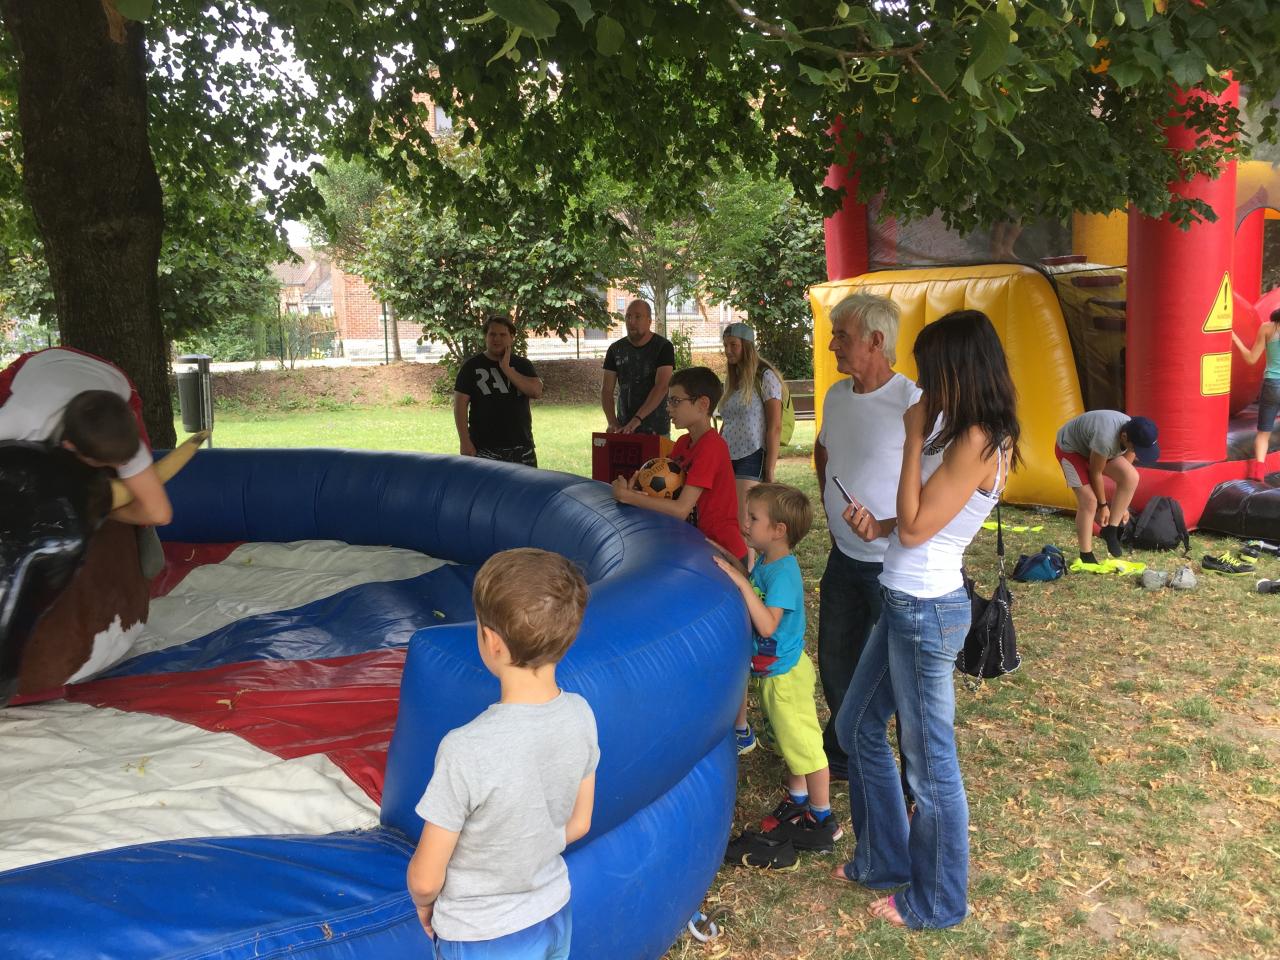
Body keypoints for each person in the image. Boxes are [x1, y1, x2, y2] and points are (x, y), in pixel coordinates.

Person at [834, 309, 1020, 930]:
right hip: (905, 598)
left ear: (959, 369)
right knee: (856, 722)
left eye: (934, 370)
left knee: (930, 763)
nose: (926, 384)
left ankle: (938, 901)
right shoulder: (970, 430)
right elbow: (926, 521)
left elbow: (918, 529)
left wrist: (913, 436)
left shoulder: (977, 438)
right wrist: (880, 527)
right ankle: (884, 860)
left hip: (925, 609)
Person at [407, 547, 598, 959]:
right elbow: (579, 823)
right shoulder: (581, 714)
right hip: (553, 912)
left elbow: (425, 879)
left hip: (482, 935)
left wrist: (425, 903)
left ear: (491, 641)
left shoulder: (465, 749)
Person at [813, 293, 920, 783]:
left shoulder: (912, 402)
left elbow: (938, 493)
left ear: (876, 342)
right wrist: (831, 506)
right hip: (843, 558)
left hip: (891, 566)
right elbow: (823, 452)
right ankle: (844, 753)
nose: (832, 344)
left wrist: (884, 526)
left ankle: (902, 772)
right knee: (835, 660)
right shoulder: (836, 396)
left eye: (842, 336)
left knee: (896, 676)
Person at [712, 484, 842, 852]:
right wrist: (735, 565)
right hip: (773, 673)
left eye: (753, 518)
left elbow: (768, 624)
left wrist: (739, 581)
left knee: (806, 747)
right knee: (790, 743)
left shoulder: (783, 572)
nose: (745, 523)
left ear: (778, 530)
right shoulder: (767, 563)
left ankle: (822, 819)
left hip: (785, 677)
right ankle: (797, 800)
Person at [0, 346, 171, 527]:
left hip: (110, 377)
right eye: (106, 462)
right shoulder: (20, 419)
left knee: (139, 497)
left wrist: (101, 510)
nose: (120, 465)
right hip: (46, 363)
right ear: (70, 446)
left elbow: (159, 514)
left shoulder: (120, 434)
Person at [610, 366, 746, 562]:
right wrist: (638, 490)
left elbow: (681, 509)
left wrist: (628, 497)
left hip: (725, 551)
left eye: (675, 401)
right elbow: (670, 492)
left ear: (702, 404)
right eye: (668, 401)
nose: (668, 408)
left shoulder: (712, 447)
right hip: (699, 545)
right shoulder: (683, 443)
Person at [1054, 409, 1160, 565]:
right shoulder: (1106, 439)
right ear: (1124, 437)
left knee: (1131, 477)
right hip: (1071, 450)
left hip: (1094, 448)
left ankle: (1111, 530)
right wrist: (1103, 506)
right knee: (1089, 501)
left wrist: (1121, 506)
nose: (1136, 452)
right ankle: (1086, 555)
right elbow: (1095, 472)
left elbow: (1125, 471)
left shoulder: (1133, 433)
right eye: (1136, 448)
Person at [719, 322, 784, 557]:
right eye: (725, 345)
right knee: (730, 516)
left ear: (746, 346)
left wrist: (770, 470)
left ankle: (748, 576)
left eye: (733, 345)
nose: (728, 350)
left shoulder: (765, 377)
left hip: (751, 454)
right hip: (727, 455)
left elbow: (774, 426)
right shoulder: (732, 380)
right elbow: (727, 420)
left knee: (745, 520)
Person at [453, 315, 544, 467]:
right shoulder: (471, 367)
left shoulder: (522, 365)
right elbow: (460, 406)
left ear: (512, 337)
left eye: (503, 334)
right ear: (485, 337)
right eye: (492, 334)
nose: (497, 339)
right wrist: (464, 441)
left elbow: (536, 391)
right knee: (487, 491)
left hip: (521, 446)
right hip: (484, 448)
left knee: (524, 491)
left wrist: (507, 369)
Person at [600, 299, 675, 436]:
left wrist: (637, 419)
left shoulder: (663, 347)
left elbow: (662, 386)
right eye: (628, 316)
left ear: (649, 320)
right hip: (623, 429)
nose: (631, 321)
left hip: (656, 429)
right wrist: (612, 422)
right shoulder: (615, 349)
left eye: (637, 316)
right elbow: (606, 390)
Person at [1231, 306, 1280, 481]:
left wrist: (1235, 339)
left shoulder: (1268, 328)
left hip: (1272, 384)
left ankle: (1259, 471)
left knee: (1264, 432)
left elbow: (1251, 359)